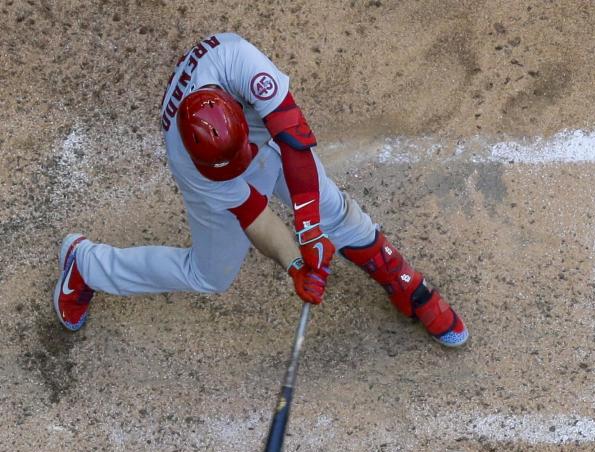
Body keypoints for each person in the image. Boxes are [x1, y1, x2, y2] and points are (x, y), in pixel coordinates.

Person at [52, 32, 468, 347]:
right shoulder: (193, 164)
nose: (249, 162)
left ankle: (400, 278)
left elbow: (295, 141)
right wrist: (295, 264)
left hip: (258, 127)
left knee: (332, 210)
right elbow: (254, 213)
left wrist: (308, 227)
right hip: (219, 160)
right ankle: (85, 264)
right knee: (208, 275)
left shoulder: (238, 61)